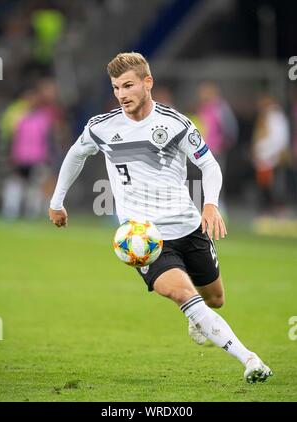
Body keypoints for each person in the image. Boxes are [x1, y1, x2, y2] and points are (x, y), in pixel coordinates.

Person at [49, 52, 272, 384]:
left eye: (128, 85)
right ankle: (250, 359)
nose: (121, 94)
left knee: (215, 299)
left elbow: (209, 165)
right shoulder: (103, 127)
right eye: (115, 88)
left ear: (147, 82)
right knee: (183, 294)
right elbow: (76, 154)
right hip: (144, 238)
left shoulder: (174, 124)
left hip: (189, 227)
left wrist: (210, 204)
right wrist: (57, 201)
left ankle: (197, 315)